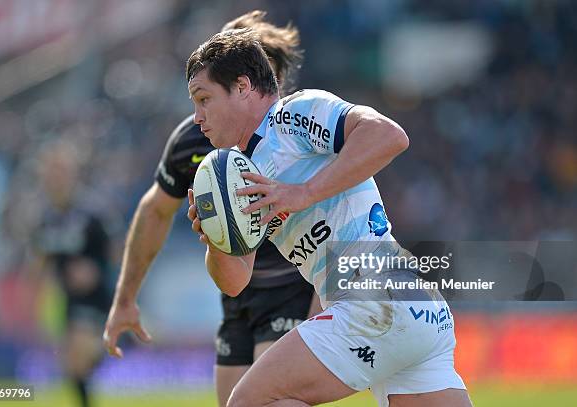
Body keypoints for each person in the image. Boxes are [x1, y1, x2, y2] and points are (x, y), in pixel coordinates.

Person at [185, 29, 472, 406]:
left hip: (372, 301)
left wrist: (302, 193)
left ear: (242, 87)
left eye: (204, 99)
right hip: (411, 304)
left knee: (248, 402)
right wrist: (217, 240)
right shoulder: (242, 171)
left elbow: (388, 135)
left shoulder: (292, 115)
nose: (197, 117)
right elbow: (236, 280)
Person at [102, 11, 319, 407]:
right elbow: (154, 212)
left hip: (292, 288)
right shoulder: (192, 139)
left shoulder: (296, 131)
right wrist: (125, 298)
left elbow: (349, 195)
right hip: (237, 297)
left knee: (269, 400)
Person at [32, 140, 113, 407]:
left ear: (73, 173)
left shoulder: (92, 212)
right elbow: (41, 259)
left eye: (61, 171)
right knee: (71, 367)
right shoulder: (45, 218)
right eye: (50, 172)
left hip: (97, 298)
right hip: (67, 300)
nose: (55, 178)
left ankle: (107, 344)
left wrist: (96, 270)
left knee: (79, 355)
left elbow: (118, 251)